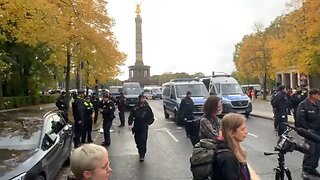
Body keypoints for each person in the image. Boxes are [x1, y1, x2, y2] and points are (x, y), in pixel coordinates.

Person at [212, 113, 251, 180]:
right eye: (242, 129)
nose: (246, 132)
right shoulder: (227, 157)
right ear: (232, 133)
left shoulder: (233, 150)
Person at [296, 89, 320, 178]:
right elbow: (300, 120)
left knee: (317, 151)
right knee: (310, 151)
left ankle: (313, 168)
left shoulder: (318, 104)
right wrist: (307, 130)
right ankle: (306, 170)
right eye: (318, 94)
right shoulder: (303, 105)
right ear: (313, 95)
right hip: (309, 133)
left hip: (318, 132)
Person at [128, 94, 154, 162]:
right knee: (137, 140)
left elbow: (151, 117)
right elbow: (131, 115)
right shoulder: (135, 107)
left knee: (143, 140)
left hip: (144, 126)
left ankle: (142, 154)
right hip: (137, 125)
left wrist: (148, 123)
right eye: (141, 99)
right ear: (139, 99)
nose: (142, 100)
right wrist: (130, 124)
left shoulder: (147, 107)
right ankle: (139, 148)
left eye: (143, 98)